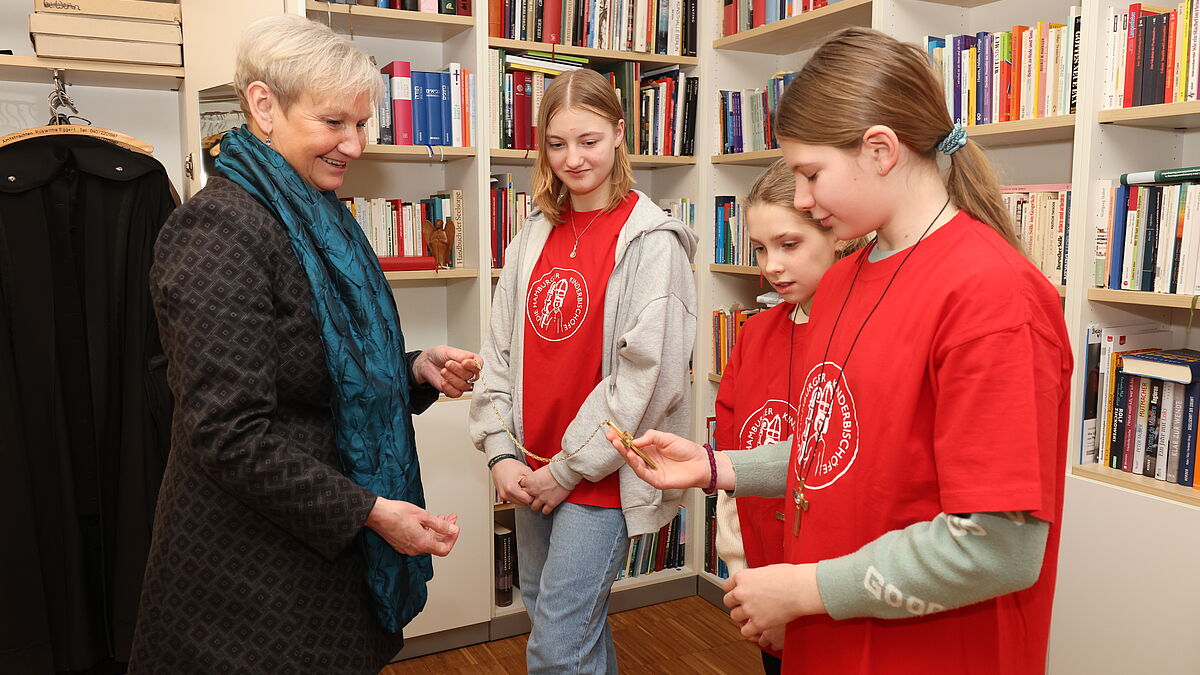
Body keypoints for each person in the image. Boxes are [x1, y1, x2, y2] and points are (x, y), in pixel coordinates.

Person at [609, 27, 1072, 675]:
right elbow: (842, 456)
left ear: (881, 150)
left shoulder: (992, 294)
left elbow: (999, 547)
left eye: (811, 174)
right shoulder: (846, 281)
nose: (800, 199)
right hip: (830, 644)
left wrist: (802, 589)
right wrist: (716, 466)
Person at [129, 15, 478, 673]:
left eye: (362, 123)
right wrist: (370, 510)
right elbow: (227, 434)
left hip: (318, 568)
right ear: (264, 106)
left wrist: (413, 371)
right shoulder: (215, 231)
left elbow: (322, 370)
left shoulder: (319, 215)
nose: (354, 143)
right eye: (334, 122)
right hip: (249, 586)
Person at [469, 68, 697, 674]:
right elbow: (499, 357)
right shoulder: (531, 235)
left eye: (589, 140)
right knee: (564, 626)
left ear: (620, 134)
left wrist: (567, 471)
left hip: (597, 478)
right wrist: (500, 454)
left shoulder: (652, 243)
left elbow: (647, 381)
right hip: (529, 467)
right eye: (558, 142)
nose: (573, 158)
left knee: (555, 651)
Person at [713, 158, 868, 674]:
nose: (771, 266)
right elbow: (732, 477)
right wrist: (746, 585)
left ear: (837, 236)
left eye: (789, 244)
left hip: (844, 600)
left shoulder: (866, 337)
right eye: (760, 248)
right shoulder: (753, 338)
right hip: (765, 588)